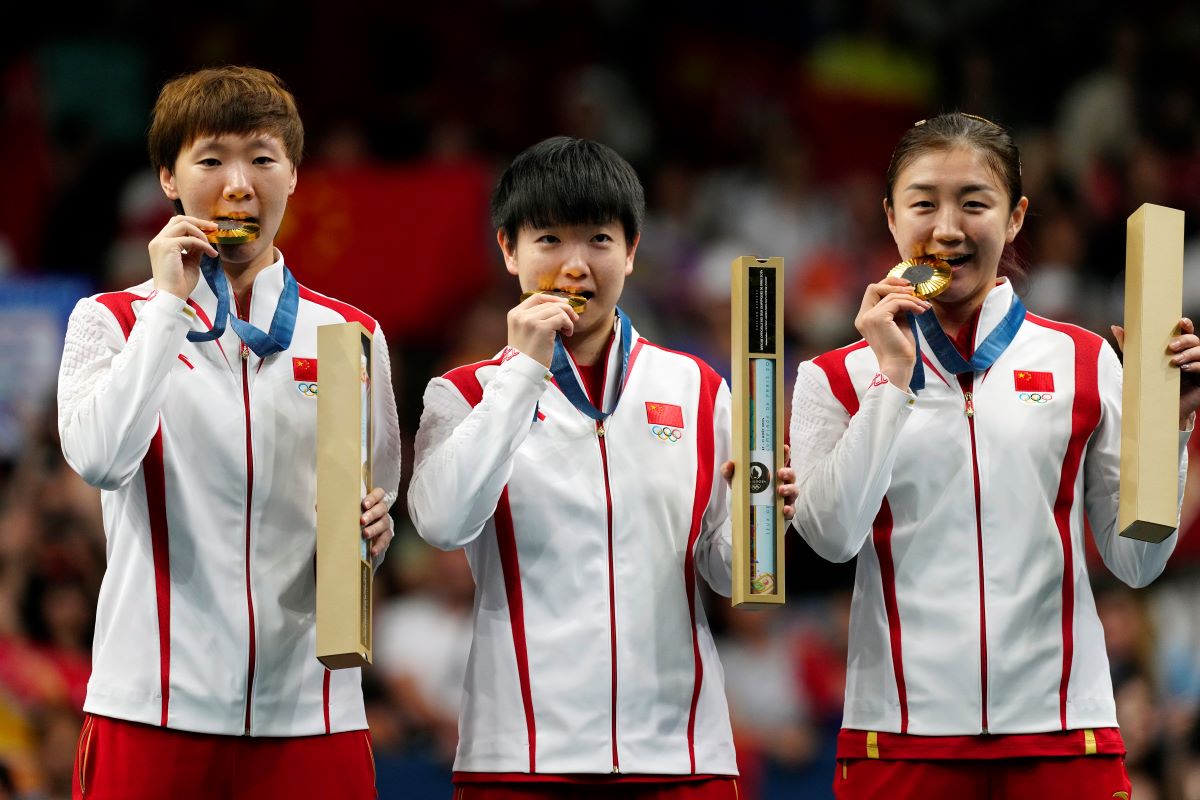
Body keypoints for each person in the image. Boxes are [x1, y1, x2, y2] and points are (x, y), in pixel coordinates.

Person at [789, 111, 1199, 799]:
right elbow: (831, 538)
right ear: (890, 216)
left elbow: (1137, 561)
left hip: (1066, 734)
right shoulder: (833, 377)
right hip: (899, 736)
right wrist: (892, 381)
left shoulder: (1086, 361)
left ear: (1015, 218)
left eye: (975, 203)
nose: (947, 228)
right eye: (923, 203)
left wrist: (1172, 433)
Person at [407, 135, 797, 799]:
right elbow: (443, 522)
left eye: (598, 240)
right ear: (508, 249)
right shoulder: (466, 393)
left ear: (633, 250)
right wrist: (523, 372)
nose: (575, 265)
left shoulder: (699, 389)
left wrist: (767, 516)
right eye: (549, 240)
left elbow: (735, 576)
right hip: (521, 756)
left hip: (681, 756)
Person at [56, 66, 401, 799]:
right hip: (150, 710)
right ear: (168, 180)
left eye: (262, 158)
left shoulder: (350, 335)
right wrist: (167, 310)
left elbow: (380, 495)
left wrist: (375, 527)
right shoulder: (111, 320)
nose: (238, 184)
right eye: (211, 159)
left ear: (294, 177)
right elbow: (99, 459)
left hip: (313, 716)